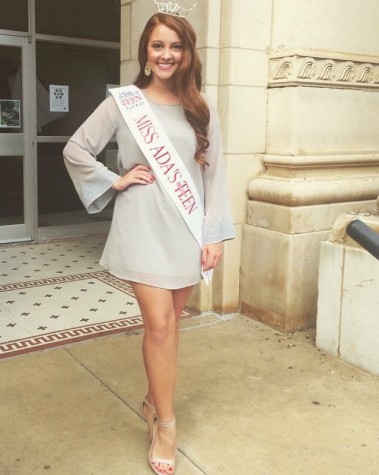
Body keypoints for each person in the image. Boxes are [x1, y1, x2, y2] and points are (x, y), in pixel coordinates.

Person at [63, 6, 235, 475]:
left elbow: (216, 175)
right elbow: (75, 148)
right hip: (142, 225)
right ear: (145, 52)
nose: (166, 54)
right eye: (158, 45)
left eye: (175, 46)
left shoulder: (201, 106)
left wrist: (214, 234)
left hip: (185, 227)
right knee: (159, 324)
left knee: (171, 326)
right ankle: (167, 425)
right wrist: (114, 179)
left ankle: (151, 399)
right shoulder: (124, 104)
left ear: (186, 53)